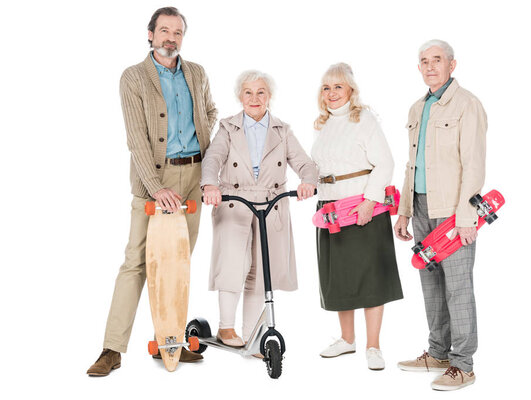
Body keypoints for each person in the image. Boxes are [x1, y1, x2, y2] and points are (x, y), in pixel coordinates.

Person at [87, 7, 217, 376]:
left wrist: (209, 172)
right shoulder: (133, 77)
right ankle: (112, 349)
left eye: (177, 32)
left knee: (178, 265)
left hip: (193, 175)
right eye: (164, 31)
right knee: (137, 262)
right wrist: (155, 187)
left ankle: (169, 341)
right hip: (154, 180)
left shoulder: (197, 72)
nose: (170, 38)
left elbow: (210, 111)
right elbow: (136, 139)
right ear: (150, 34)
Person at [394, 39, 487, 391]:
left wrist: (467, 216)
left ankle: (463, 365)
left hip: (452, 212)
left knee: (458, 287)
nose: (430, 66)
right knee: (431, 284)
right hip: (420, 207)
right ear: (418, 67)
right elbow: (411, 163)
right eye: (424, 61)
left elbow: (474, 164)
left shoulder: (467, 105)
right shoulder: (418, 108)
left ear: (452, 64)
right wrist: (403, 211)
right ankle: (438, 353)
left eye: (437, 60)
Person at [201, 70, 317, 348]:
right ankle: (226, 328)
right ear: (240, 97)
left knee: (262, 270)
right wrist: (209, 185)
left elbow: (305, 163)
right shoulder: (228, 127)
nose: (254, 98)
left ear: (270, 96)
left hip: (271, 203)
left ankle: (252, 333)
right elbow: (213, 159)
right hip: (233, 201)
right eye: (248, 92)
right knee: (233, 264)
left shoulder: (282, 130)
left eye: (261, 92)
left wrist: (308, 182)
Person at [312, 63, 403, 371]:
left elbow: (385, 163)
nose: (332, 93)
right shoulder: (322, 124)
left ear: (350, 90)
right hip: (330, 209)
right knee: (339, 275)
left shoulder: (363, 118)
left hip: (363, 207)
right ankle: (347, 339)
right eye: (326, 87)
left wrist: (370, 200)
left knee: (370, 276)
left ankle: (373, 346)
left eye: (338, 87)